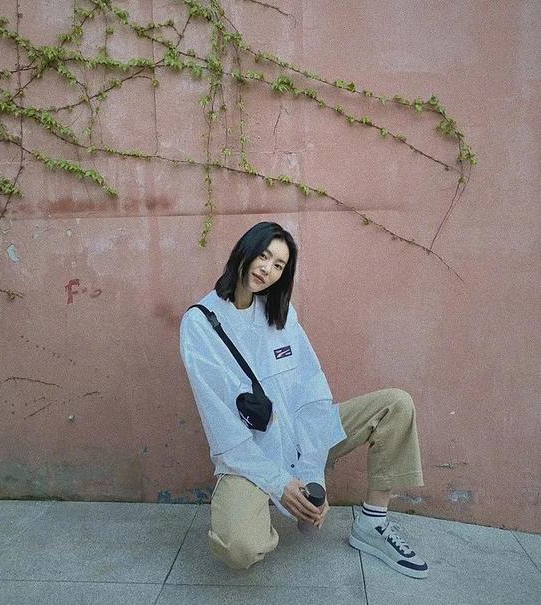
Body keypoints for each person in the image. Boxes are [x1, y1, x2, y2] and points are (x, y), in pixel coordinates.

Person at [179, 221, 428, 578]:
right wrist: (281, 485)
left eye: (279, 265)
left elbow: (310, 397)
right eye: (263, 256)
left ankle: (372, 524)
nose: (267, 269)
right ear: (245, 250)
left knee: (396, 405)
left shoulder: (280, 314)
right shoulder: (200, 325)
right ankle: (253, 504)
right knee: (238, 547)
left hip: (301, 437)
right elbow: (224, 432)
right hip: (251, 456)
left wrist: (312, 478)